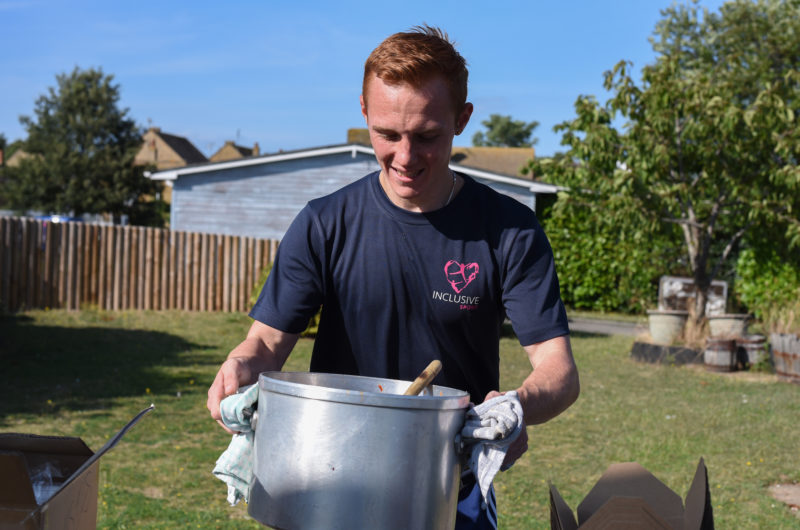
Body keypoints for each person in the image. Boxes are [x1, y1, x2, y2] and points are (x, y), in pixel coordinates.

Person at [207, 25, 579, 529]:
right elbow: (266, 343)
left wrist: (517, 407)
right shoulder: (324, 223)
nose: (404, 158)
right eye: (387, 134)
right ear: (364, 110)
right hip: (326, 485)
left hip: (450, 492)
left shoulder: (508, 231)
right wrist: (238, 365)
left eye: (426, 136)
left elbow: (558, 369)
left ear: (462, 119)